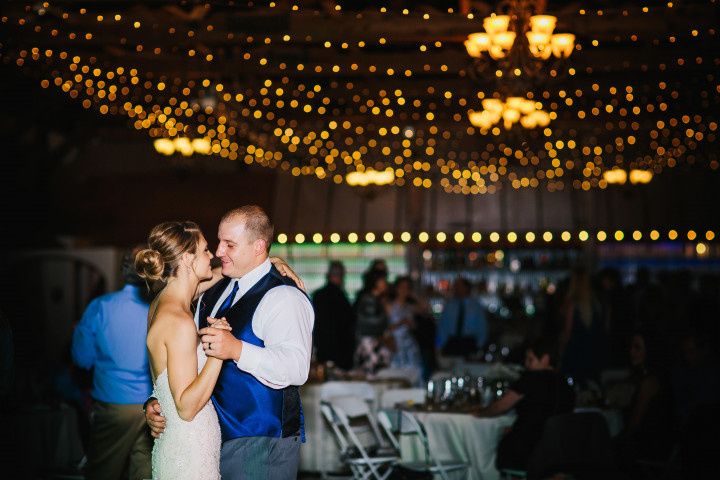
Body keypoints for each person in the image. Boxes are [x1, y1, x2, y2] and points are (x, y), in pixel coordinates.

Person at [145, 206, 313, 480]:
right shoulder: (212, 292)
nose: (219, 252)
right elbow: (184, 363)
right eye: (217, 242)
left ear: (259, 246)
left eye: (229, 244)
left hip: (260, 442)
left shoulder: (283, 296)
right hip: (208, 440)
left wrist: (236, 349)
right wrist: (158, 400)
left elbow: (296, 368)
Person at [71, 249, 154, 480]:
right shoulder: (158, 308)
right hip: (152, 404)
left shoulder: (101, 307)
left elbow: (82, 359)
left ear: (123, 271)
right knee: (144, 471)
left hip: (113, 403)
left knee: (103, 470)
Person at [473, 337, 575, 471]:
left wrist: (479, 413)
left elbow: (501, 407)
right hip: (559, 453)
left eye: (530, 359)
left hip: (528, 451)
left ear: (545, 359)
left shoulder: (532, 378)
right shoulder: (565, 384)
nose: (526, 364)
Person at [559, 266, 606, 383]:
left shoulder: (573, 303)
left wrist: (560, 351)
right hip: (593, 352)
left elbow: (567, 332)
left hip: (575, 352)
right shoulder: (597, 303)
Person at [312, 261, 355, 370]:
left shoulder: (318, 295)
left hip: (323, 348)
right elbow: (348, 323)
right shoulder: (341, 296)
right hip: (341, 350)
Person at [353, 270, 392, 374]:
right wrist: (386, 313)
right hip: (368, 346)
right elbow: (372, 324)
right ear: (376, 282)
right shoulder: (369, 299)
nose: (385, 283)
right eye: (383, 280)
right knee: (370, 377)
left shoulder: (376, 299)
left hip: (373, 345)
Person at [437, 277, 487, 357]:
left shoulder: (476, 306)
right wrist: (440, 345)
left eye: (458, 286)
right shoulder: (449, 305)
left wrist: (479, 346)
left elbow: (482, 327)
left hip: (469, 343)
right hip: (451, 343)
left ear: (467, 288)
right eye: (455, 286)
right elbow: (442, 327)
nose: (455, 288)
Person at [387, 276, 423, 377]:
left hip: (410, 345)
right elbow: (386, 329)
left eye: (407, 287)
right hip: (395, 344)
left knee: (414, 372)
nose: (404, 290)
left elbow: (425, 308)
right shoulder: (389, 305)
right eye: (402, 287)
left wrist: (414, 295)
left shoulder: (410, 307)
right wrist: (401, 322)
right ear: (396, 288)